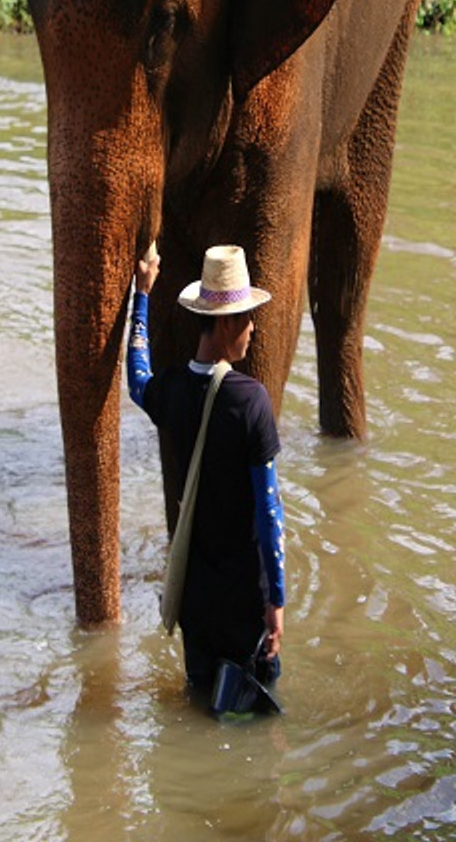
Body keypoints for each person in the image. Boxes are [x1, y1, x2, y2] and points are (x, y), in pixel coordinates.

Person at [127, 243, 286, 698]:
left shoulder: (170, 391)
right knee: (249, 717)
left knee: (200, 701)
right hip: (243, 601)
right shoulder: (250, 400)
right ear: (225, 322)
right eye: (247, 317)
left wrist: (142, 295)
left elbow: (137, 371)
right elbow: (269, 510)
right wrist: (276, 602)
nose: (253, 327)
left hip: (194, 598)